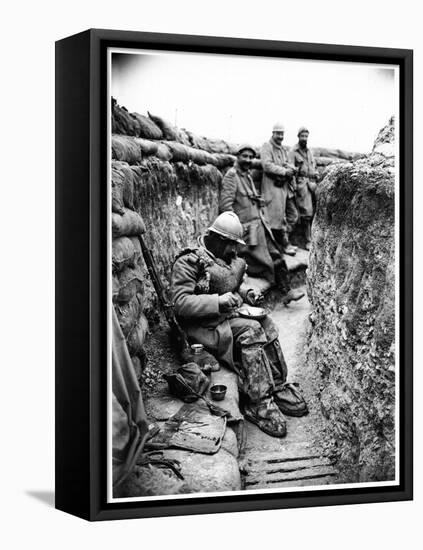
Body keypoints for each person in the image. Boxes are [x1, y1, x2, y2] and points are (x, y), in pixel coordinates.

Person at [170, 212, 307, 438]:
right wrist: (217, 301)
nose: (235, 251)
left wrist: (248, 293)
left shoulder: (227, 258)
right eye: (232, 245)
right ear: (220, 240)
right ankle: (258, 400)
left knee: (268, 324)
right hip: (205, 328)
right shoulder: (189, 262)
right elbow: (179, 303)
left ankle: (277, 384)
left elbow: (235, 283)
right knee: (252, 331)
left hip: (226, 317)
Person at [219, 144, 303, 303]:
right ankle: (284, 291)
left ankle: (288, 291)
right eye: (244, 156)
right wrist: (237, 231)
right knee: (266, 262)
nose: (248, 160)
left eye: (251, 157)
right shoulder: (232, 176)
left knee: (277, 255)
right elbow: (226, 207)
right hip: (246, 233)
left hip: (260, 228)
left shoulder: (247, 175)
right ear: (238, 157)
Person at [261, 122, 298, 256]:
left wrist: (291, 168)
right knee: (273, 219)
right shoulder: (267, 147)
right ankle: (278, 245)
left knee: (290, 216)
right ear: (273, 133)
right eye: (278, 133)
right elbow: (266, 165)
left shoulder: (282, 149)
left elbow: (286, 162)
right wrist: (284, 172)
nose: (280, 136)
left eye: (282, 134)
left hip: (283, 189)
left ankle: (283, 243)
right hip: (272, 188)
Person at [290, 127, 319, 250]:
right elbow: (291, 169)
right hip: (301, 184)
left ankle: (314, 238)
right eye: (302, 136)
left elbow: (313, 166)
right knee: (306, 213)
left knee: (315, 210)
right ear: (298, 137)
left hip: (312, 183)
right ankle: (307, 241)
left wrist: (316, 174)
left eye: (306, 136)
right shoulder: (293, 152)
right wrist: (294, 186)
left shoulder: (309, 152)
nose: (304, 139)